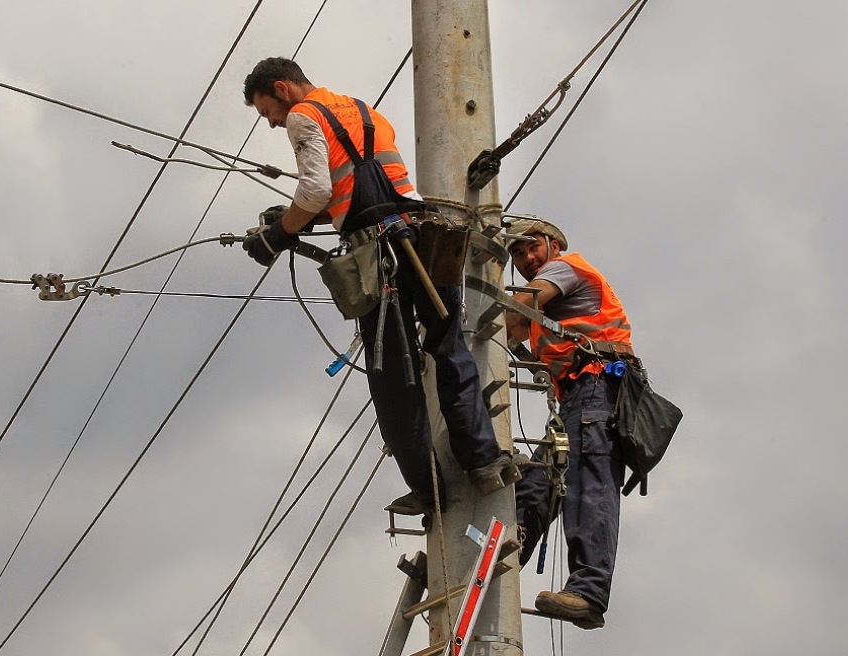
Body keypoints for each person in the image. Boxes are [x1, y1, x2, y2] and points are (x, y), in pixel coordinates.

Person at [240, 57, 517, 516]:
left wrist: (278, 235)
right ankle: (485, 461)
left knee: (394, 376)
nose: (271, 122)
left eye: (266, 110)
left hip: (380, 255)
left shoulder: (303, 116)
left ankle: (429, 489)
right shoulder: (363, 110)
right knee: (450, 348)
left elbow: (315, 191)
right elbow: (359, 183)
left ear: (282, 89)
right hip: (424, 237)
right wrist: (295, 221)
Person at [503, 216, 634, 630]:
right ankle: (500, 563)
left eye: (533, 247)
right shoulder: (543, 303)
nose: (527, 257)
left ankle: (589, 592)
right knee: (536, 485)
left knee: (588, 483)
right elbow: (507, 331)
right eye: (518, 253)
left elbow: (511, 314)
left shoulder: (563, 269)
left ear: (554, 245)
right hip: (578, 397)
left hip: (598, 386)